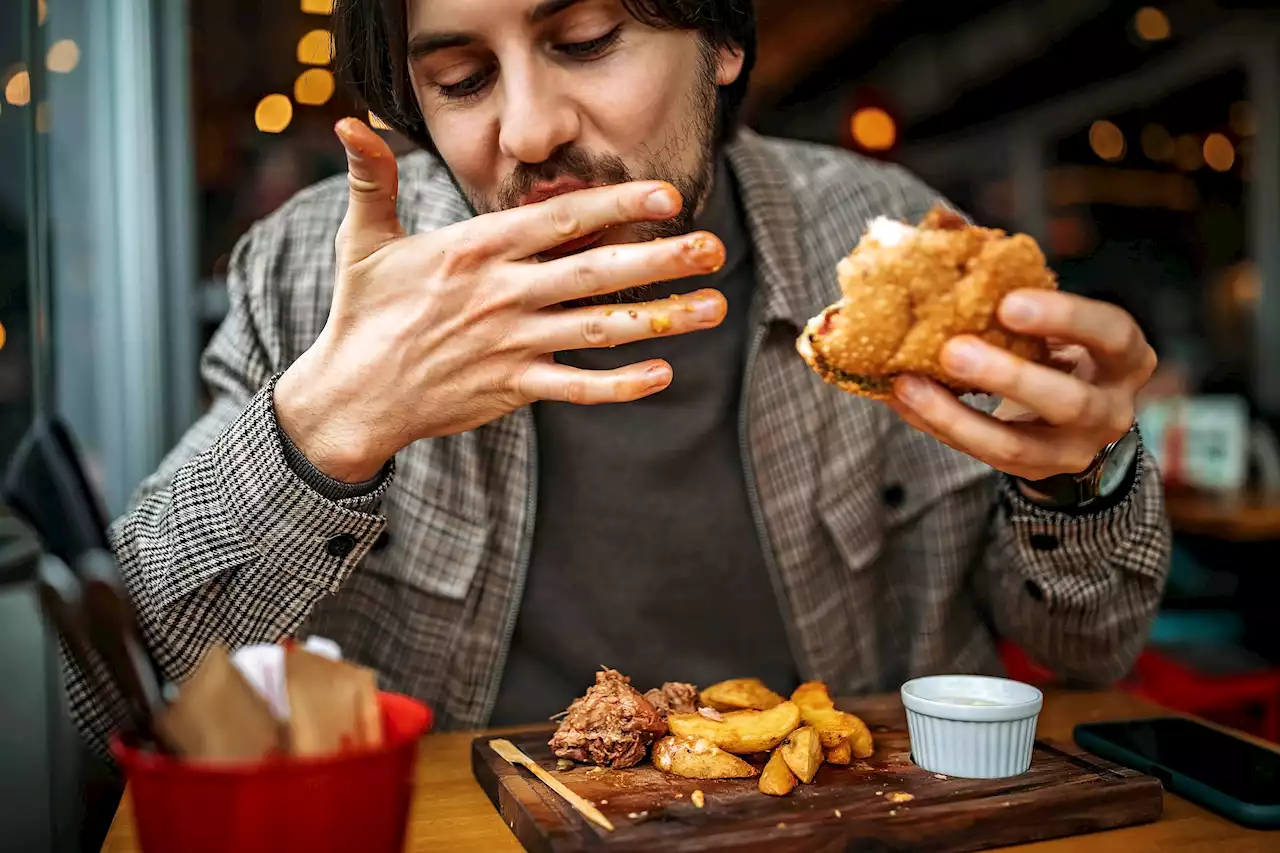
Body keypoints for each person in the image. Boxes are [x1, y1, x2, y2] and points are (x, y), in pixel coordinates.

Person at [65, 0, 1171, 754]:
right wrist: (321, 431)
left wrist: (1082, 481)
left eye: (587, 39)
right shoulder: (314, 273)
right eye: (458, 79)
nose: (529, 130)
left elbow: (1092, 649)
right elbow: (100, 695)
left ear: (721, 40)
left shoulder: (886, 246)